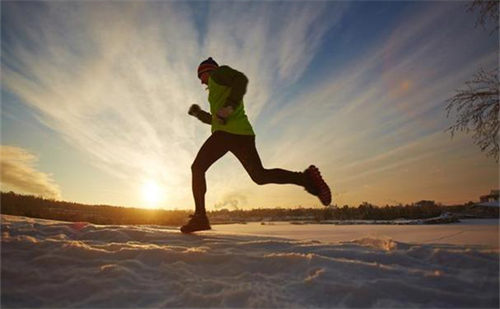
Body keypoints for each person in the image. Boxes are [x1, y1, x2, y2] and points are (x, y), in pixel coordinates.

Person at [181, 57, 331, 233]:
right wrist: (199, 114)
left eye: (201, 75)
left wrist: (229, 107)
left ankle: (200, 217)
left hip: (227, 135)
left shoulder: (219, 74)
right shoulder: (217, 91)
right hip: (242, 134)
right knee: (260, 176)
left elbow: (241, 80)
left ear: (208, 71)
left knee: (198, 168)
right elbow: (216, 119)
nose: (201, 81)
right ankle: (306, 179)